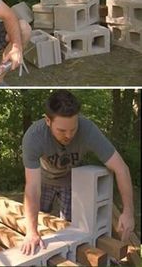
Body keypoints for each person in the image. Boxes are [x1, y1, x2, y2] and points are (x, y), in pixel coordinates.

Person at [21, 90, 135, 255]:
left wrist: (128, 212)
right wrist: (31, 232)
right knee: (38, 221)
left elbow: (121, 168)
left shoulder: (88, 130)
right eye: (62, 130)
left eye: (73, 129)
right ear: (47, 121)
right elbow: (32, 187)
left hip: (69, 180)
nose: (68, 135)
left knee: (74, 229)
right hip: (43, 181)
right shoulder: (34, 136)